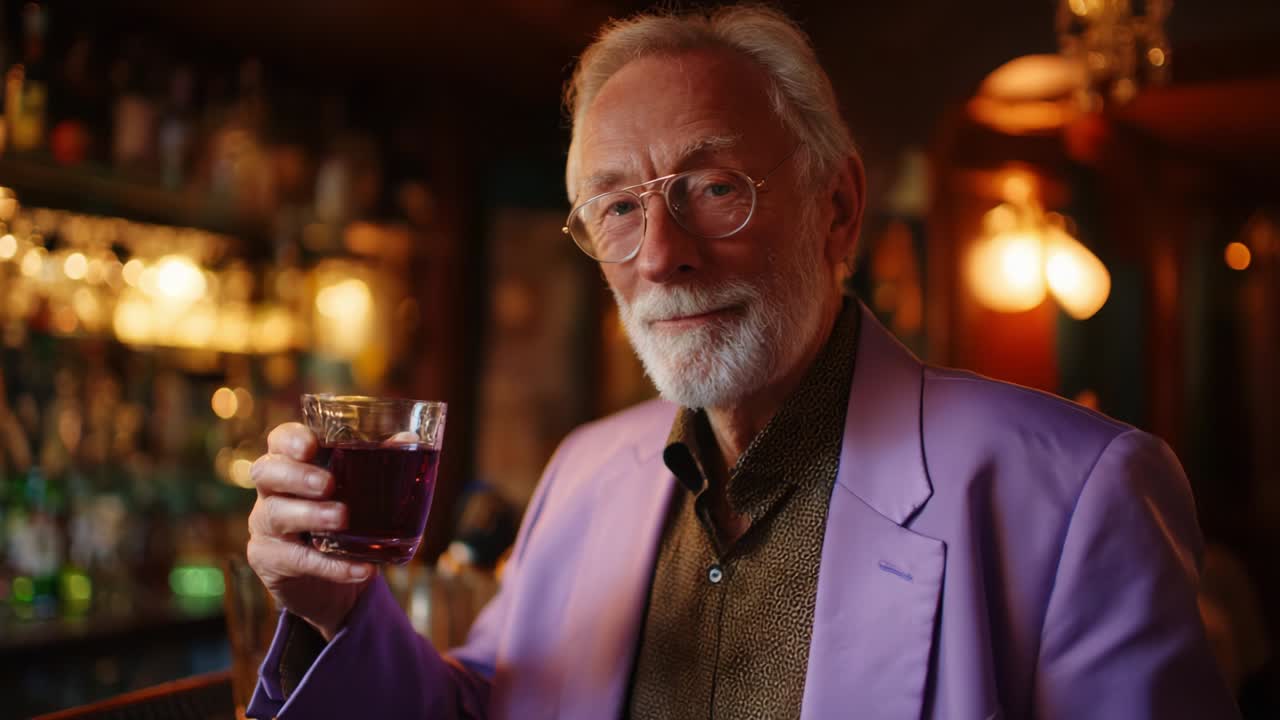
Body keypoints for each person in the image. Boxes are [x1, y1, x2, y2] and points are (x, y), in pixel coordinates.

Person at [245, 5, 1238, 719]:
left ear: (837, 206)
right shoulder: (583, 471)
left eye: (714, 188)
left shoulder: (1075, 491)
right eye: (618, 208)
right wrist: (338, 612)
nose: (661, 254)